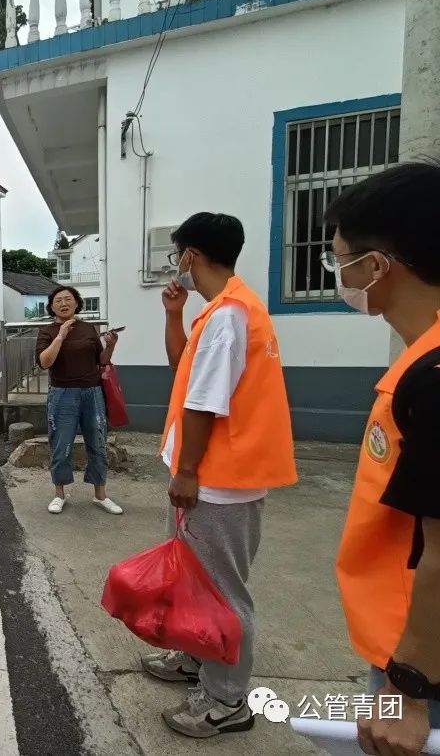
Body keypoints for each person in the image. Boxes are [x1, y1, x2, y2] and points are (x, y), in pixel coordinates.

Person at [142, 211, 297, 739]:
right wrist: (174, 314)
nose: (177, 265)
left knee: (222, 592)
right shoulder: (224, 311)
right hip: (212, 478)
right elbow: (182, 367)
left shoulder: (230, 315)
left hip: (217, 482)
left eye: (177, 255)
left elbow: (204, 403)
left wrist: (186, 472)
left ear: (189, 256)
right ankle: (196, 658)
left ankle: (227, 699)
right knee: (197, 583)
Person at [324, 161, 440, 754]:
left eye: (339, 260)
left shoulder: (432, 378)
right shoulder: (421, 360)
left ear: (377, 266)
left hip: (422, 661)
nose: (339, 276)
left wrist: (408, 686)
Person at [35, 285, 123, 516]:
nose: (63, 304)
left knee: (98, 442)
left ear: (76, 303)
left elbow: (101, 360)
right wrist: (61, 335)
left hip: (92, 393)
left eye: (68, 299)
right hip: (62, 394)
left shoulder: (88, 329)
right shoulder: (47, 331)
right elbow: (44, 362)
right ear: (51, 307)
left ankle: (100, 495)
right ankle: (59, 494)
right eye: (58, 301)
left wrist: (110, 346)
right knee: (61, 444)